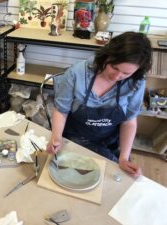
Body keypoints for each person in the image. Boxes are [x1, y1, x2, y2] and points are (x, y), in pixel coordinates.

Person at [46, 32, 152, 177]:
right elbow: (61, 110)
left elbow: (129, 121)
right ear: (108, 55)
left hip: (110, 142)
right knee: (69, 174)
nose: (116, 77)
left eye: (125, 74)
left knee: (114, 179)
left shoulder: (137, 81)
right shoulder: (77, 73)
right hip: (75, 137)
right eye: (114, 67)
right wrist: (56, 137)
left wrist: (123, 157)